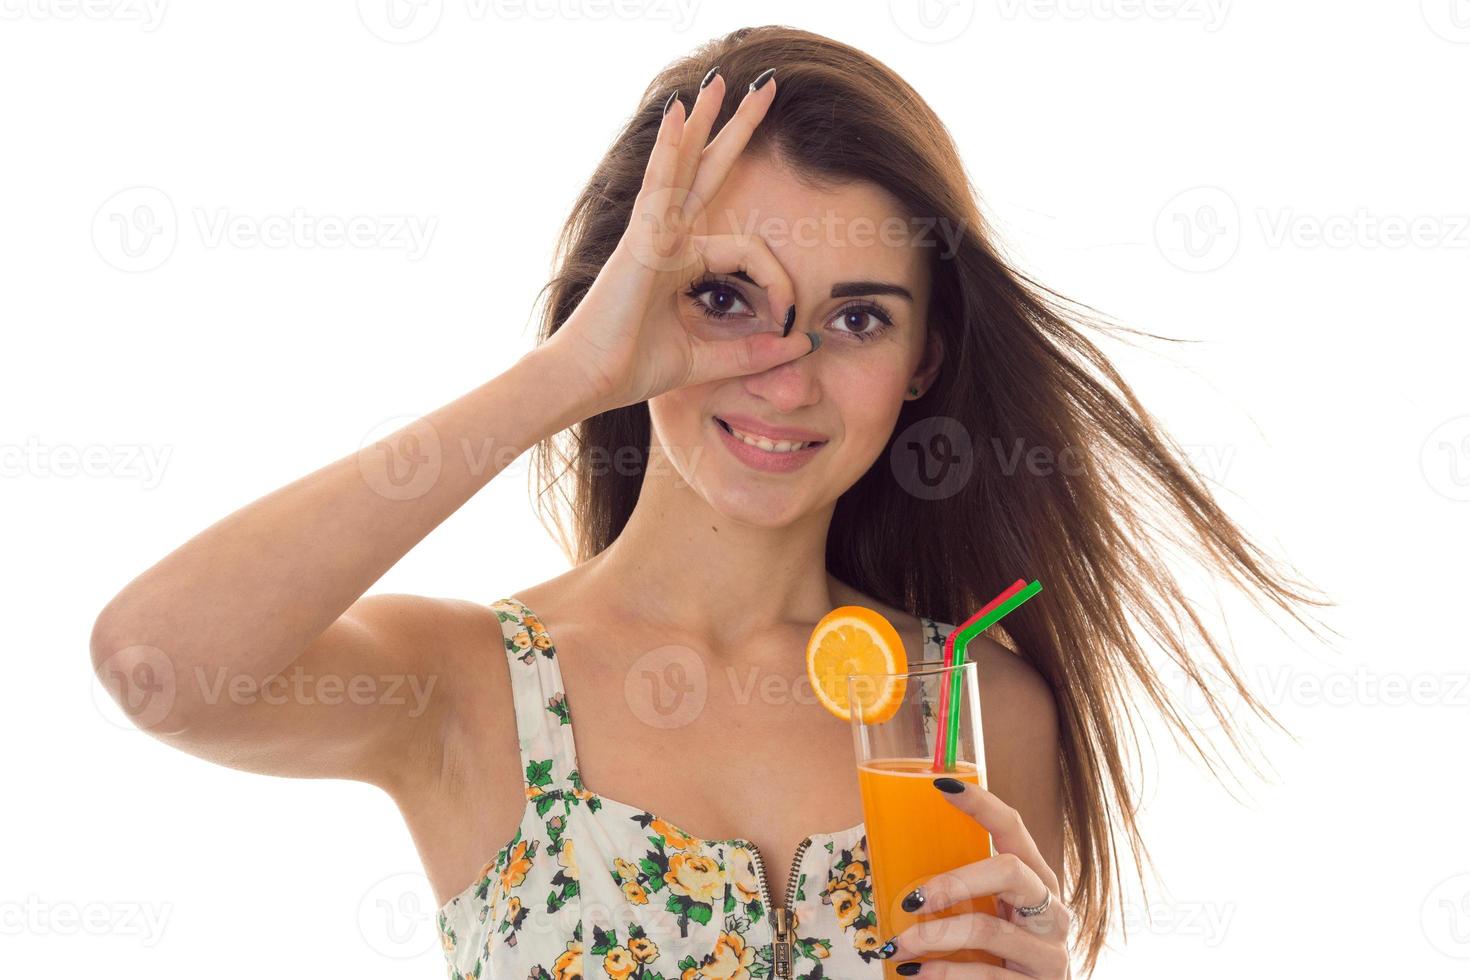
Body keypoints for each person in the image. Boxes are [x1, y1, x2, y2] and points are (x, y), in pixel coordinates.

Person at [91, 26, 1332, 979]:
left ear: (926, 359)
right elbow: (156, 665)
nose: (782, 374)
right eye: (725, 296)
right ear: (627, 300)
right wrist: (570, 374)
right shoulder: (472, 683)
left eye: (856, 316)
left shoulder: (972, 706)